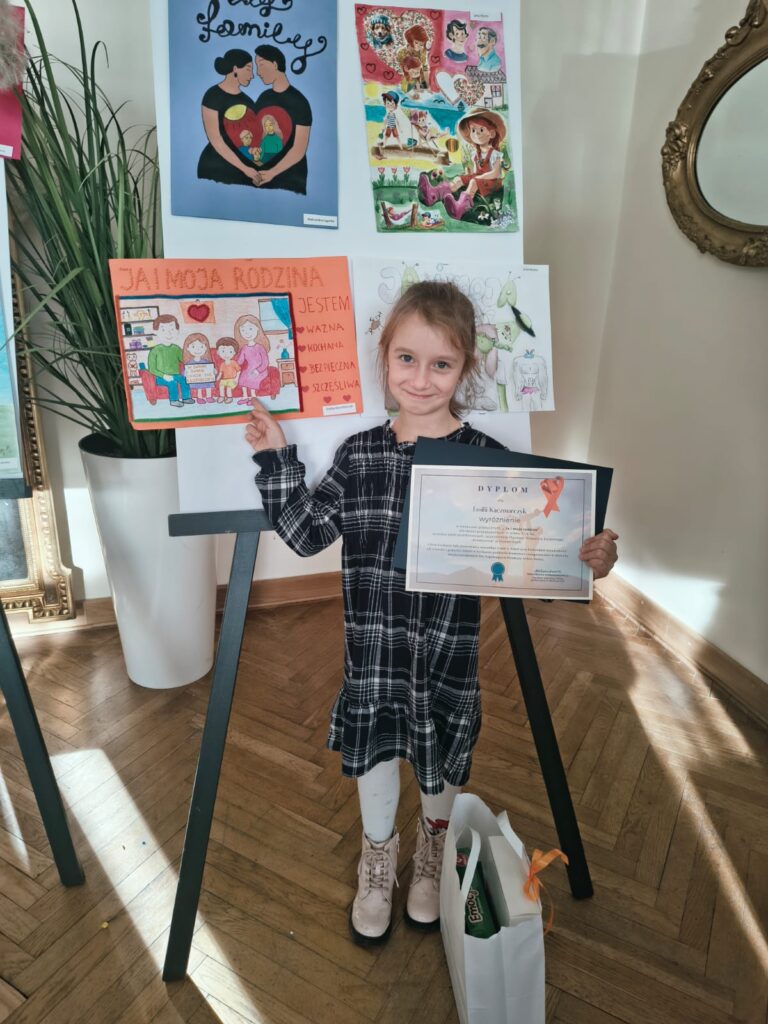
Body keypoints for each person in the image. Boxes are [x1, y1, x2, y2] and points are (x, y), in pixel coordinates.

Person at [245, 282, 619, 945]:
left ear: (465, 368)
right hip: (375, 653)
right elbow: (305, 534)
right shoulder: (359, 454)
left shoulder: (489, 463)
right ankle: (378, 856)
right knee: (376, 754)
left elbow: (533, 562)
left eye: (441, 364)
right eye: (407, 359)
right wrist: (276, 457)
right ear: (384, 358)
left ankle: (432, 849)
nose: (421, 379)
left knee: (440, 750)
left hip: (447, 652)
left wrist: (587, 557)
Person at [418, 108, 505, 220]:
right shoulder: (476, 153)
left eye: (481, 130)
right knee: (459, 179)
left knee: (473, 182)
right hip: (480, 179)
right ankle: (434, 194)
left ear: (491, 134)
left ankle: (460, 209)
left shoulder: (495, 154)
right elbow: (475, 171)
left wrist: (477, 177)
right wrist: (468, 176)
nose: (476, 133)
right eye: (473, 130)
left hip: (492, 182)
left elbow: (496, 173)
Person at [250, 44, 312, 194]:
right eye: (256, 67)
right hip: (262, 174)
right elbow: (258, 137)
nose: (257, 72)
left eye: (261, 65)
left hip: (290, 177)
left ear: (275, 64)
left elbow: (299, 149)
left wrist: (272, 173)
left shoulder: (300, 102)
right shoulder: (263, 98)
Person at [197, 49, 261, 186]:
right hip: (216, 166)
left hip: (244, 167)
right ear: (235, 69)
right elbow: (216, 140)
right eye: (248, 69)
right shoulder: (212, 95)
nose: (252, 76)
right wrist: (245, 169)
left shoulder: (248, 102)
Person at [148, 314, 195, 408]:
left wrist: (189, 364)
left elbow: (184, 360)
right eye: (163, 330)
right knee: (172, 382)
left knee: (183, 379)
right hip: (161, 377)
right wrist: (164, 376)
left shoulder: (176, 348)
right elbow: (152, 369)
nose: (168, 333)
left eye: (172, 329)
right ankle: (174, 400)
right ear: (156, 331)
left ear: (177, 331)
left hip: (176, 375)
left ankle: (186, 398)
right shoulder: (155, 350)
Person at [234, 313, 271, 404]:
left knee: (252, 378)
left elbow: (265, 362)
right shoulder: (244, 348)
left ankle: (253, 398)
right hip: (249, 369)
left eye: (250, 329)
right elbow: (240, 361)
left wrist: (258, 371)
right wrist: (233, 365)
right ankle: (245, 396)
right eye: (243, 330)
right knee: (243, 377)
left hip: (260, 370)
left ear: (257, 328)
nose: (247, 333)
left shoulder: (260, 347)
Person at [182, 332, 216, 404]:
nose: (198, 350)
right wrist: (185, 373)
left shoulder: (206, 361)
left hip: (206, 378)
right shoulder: (189, 363)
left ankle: (209, 396)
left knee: (209, 383)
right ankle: (199, 398)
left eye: (201, 347)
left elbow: (211, 370)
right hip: (197, 379)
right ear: (188, 348)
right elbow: (184, 372)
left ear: (205, 348)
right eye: (193, 347)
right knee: (199, 385)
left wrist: (214, 371)